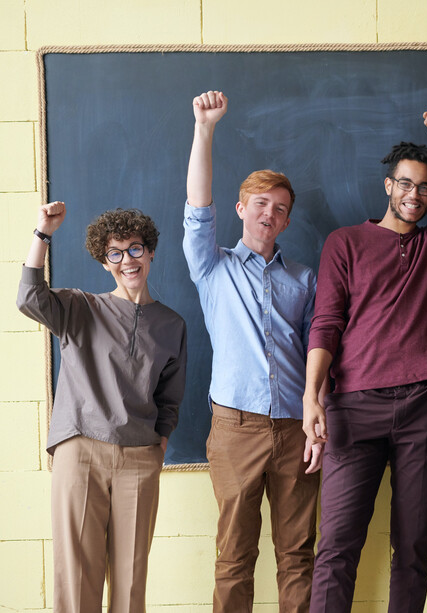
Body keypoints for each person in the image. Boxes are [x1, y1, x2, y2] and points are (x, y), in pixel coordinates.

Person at [303, 102, 427, 612]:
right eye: (406, 184)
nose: (415, 195)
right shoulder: (345, 242)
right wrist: (313, 396)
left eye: (425, 188)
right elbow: (326, 321)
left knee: (413, 546)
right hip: (352, 406)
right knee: (336, 546)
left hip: (426, 404)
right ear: (388, 186)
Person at [183, 90, 321, 613]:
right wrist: (205, 127)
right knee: (234, 556)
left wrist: (317, 415)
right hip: (235, 428)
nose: (270, 213)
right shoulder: (212, 267)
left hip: (294, 428)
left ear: (287, 222)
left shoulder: (304, 280)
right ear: (241, 209)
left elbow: (317, 352)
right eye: (261, 203)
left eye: (280, 208)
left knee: (297, 555)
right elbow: (198, 208)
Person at [17, 203, 186, 612]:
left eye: (135, 248)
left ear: (150, 252)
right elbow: (28, 298)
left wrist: (160, 440)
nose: (127, 259)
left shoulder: (172, 324)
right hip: (81, 452)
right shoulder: (80, 307)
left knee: (131, 585)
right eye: (115, 252)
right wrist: (42, 233)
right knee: (76, 577)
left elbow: (170, 395)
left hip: (140, 457)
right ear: (104, 261)